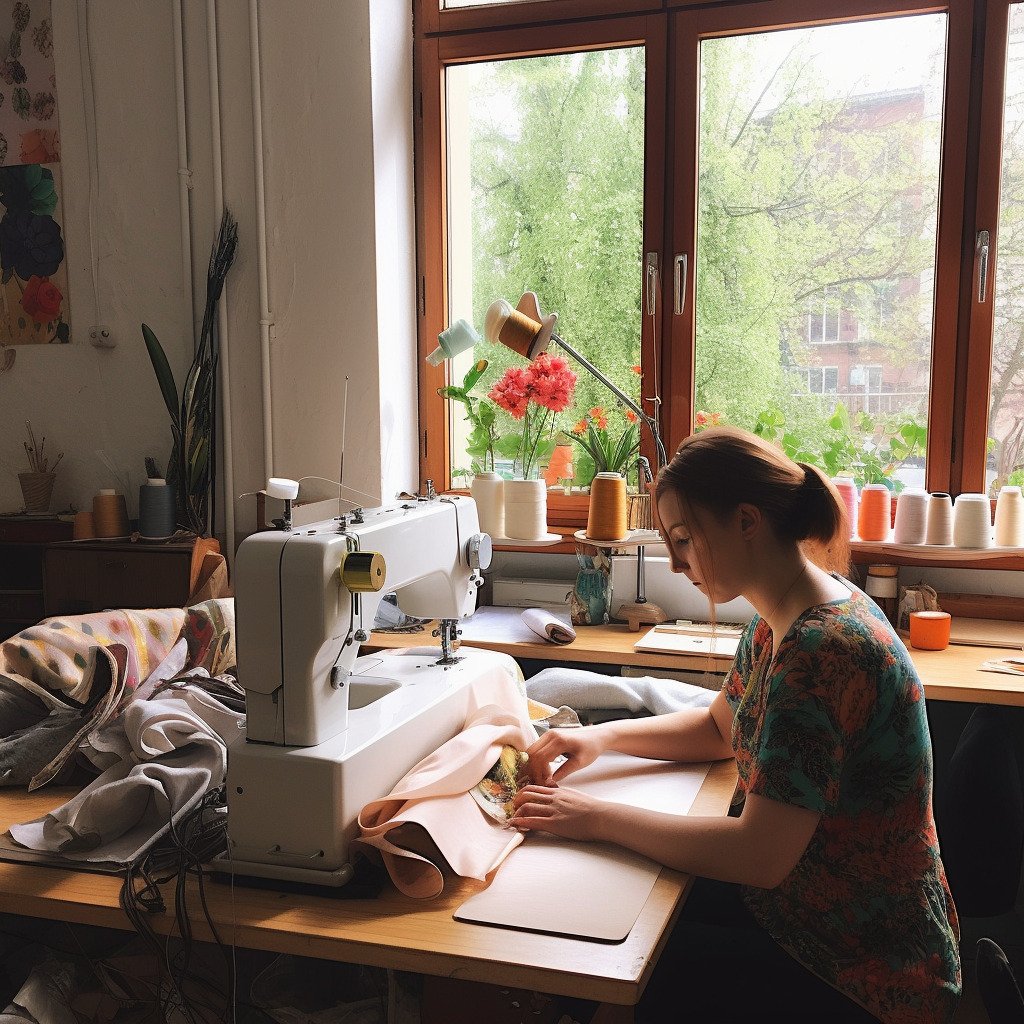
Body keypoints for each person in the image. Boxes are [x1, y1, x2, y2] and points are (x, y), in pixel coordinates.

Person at [512, 427, 960, 1024]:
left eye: (683, 540)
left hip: (862, 964)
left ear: (747, 521)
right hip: (807, 905)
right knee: (615, 909)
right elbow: (718, 731)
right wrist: (600, 737)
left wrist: (593, 817)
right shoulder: (781, 616)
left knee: (607, 966)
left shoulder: (823, 649)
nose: (677, 564)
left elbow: (758, 855)